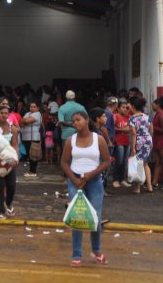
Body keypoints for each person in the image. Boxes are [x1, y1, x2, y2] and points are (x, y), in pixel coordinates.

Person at [61, 111, 111, 267]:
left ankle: (96, 251)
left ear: (87, 120)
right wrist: (75, 180)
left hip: (94, 180)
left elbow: (106, 161)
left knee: (95, 217)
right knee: (78, 216)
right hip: (75, 180)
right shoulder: (70, 140)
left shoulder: (99, 139)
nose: (75, 123)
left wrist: (90, 175)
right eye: (73, 121)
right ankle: (76, 255)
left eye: (78, 120)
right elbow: (64, 162)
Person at [0, 105, 20, 219]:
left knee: (11, 186)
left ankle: (8, 203)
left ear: (8, 115)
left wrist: (15, 157)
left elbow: (15, 144)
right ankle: (0, 211)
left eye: (6, 113)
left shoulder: (13, 129)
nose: (4, 115)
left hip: (9, 160)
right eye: (1, 113)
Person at [129, 97, 153, 194]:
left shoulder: (132, 118)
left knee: (138, 163)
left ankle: (137, 188)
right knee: (146, 164)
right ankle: (150, 186)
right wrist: (150, 141)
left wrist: (133, 148)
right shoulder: (147, 116)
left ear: (133, 106)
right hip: (148, 140)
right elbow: (151, 130)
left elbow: (133, 134)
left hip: (139, 141)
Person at [112, 99, 132, 188]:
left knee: (125, 162)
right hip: (118, 141)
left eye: (126, 108)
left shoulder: (129, 117)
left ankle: (122, 179)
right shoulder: (115, 116)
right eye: (123, 107)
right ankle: (115, 179)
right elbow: (112, 128)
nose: (125, 109)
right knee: (119, 161)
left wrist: (130, 108)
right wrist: (123, 129)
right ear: (118, 108)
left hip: (127, 142)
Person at [21, 102, 42, 177]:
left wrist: (26, 120)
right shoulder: (27, 113)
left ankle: (33, 172)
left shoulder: (37, 114)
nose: (32, 108)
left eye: (34, 107)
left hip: (34, 137)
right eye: (31, 107)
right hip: (26, 138)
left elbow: (26, 121)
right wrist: (25, 120)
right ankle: (31, 171)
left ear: (38, 108)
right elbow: (21, 121)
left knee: (33, 155)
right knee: (29, 155)